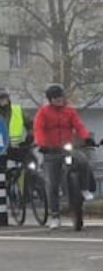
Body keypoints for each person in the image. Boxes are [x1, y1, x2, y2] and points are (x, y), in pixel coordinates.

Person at [33, 83, 95, 229]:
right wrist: (42, 144)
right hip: (50, 151)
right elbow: (38, 129)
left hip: (66, 149)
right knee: (52, 184)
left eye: (60, 96)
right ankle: (55, 216)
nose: (59, 99)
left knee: (83, 160)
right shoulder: (43, 113)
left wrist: (86, 137)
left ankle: (84, 189)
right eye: (55, 97)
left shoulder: (69, 111)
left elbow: (78, 125)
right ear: (50, 99)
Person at [0, 86, 33, 164]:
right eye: (0, 98)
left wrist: (30, 137)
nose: (3, 99)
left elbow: (30, 124)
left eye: (5, 97)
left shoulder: (17, 110)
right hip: (0, 151)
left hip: (18, 148)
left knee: (31, 163)